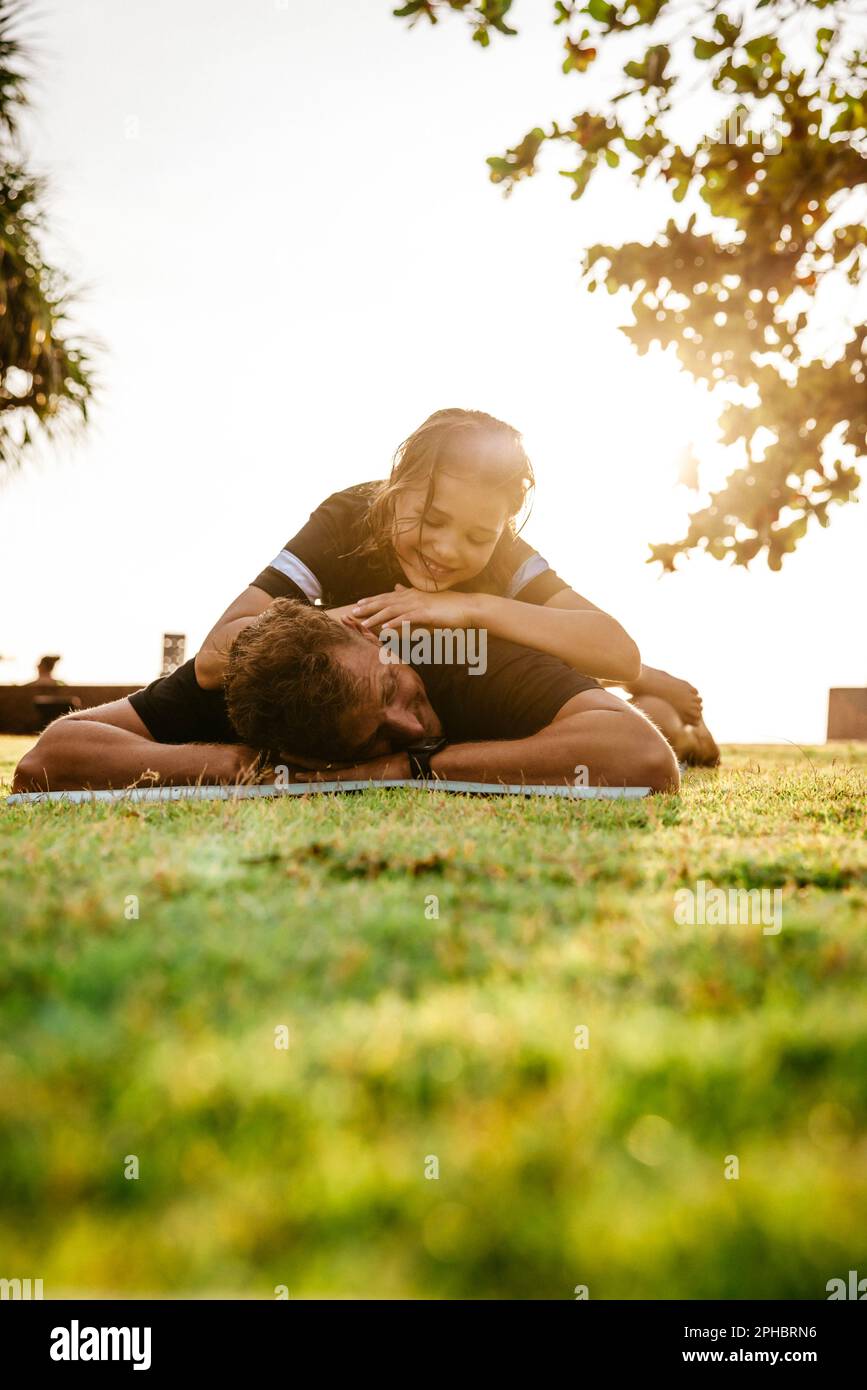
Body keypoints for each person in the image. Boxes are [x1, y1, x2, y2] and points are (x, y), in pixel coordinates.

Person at [193, 408, 718, 766]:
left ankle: (685, 731)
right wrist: (370, 615)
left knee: (660, 727)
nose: (446, 550)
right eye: (430, 518)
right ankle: (666, 703)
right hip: (390, 699)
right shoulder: (345, 520)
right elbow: (214, 657)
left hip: (484, 696)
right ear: (397, 487)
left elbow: (616, 653)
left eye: (476, 536)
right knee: (656, 711)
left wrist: (466, 607)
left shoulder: (507, 556)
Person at [12, 600, 679, 794]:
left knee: (659, 724)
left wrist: (409, 766)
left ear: (372, 636)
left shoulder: (446, 645)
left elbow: (642, 761)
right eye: (376, 734)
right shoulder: (240, 682)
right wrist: (248, 764)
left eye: (390, 687)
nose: (408, 723)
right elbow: (48, 760)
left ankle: (666, 701)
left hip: (565, 689)